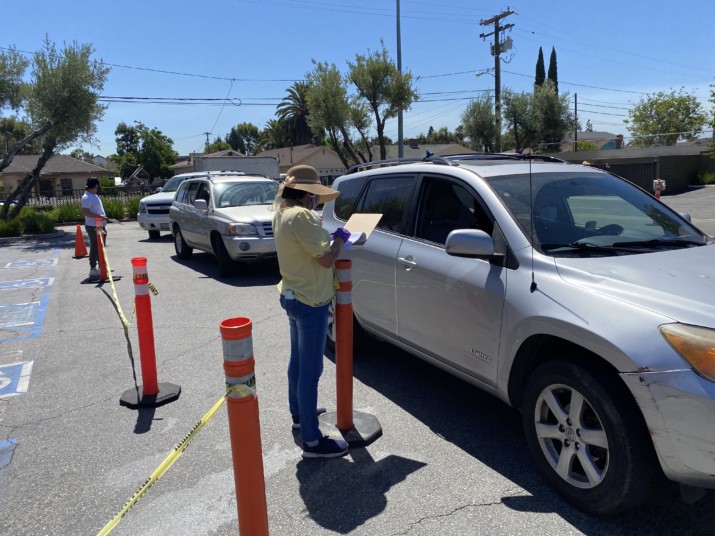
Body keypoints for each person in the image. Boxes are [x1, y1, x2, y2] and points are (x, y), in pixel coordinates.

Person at [272, 164, 352, 458]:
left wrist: (330, 240)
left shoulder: (282, 214)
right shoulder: (302, 216)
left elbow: (310, 249)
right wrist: (341, 239)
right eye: (315, 194)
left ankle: (299, 415)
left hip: (293, 295)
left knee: (298, 363)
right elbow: (326, 260)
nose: (317, 200)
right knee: (311, 371)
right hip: (311, 301)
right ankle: (313, 440)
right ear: (306, 194)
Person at [81, 177, 107, 279]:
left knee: (101, 246)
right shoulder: (87, 197)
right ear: (95, 186)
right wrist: (99, 217)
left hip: (100, 225)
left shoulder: (93, 195)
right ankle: (93, 268)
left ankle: (102, 267)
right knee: (95, 246)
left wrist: (102, 218)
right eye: (97, 186)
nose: (98, 188)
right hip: (93, 226)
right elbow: (85, 212)